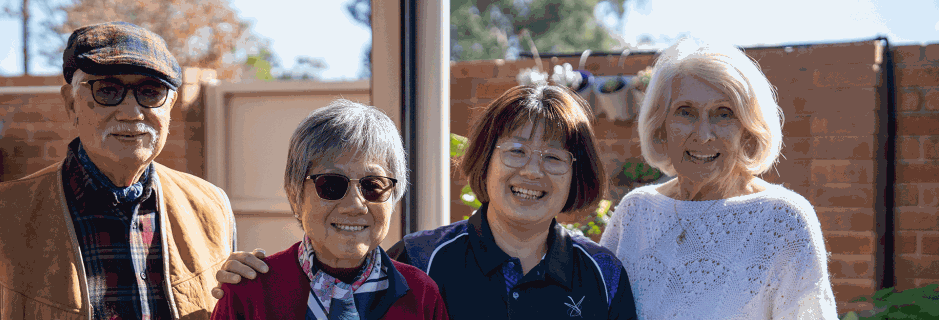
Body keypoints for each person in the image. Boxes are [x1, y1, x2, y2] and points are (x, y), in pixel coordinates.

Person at [214, 85, 637, 319]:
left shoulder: (603, 275)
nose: (532, 172)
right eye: (515, 151)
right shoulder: (422, 260)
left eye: (554, 157)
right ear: (485, 159)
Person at [0, 21, 236, 319]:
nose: (131, 112)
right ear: (71, 103)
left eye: (151, 92)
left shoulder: (211, 208)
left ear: (170, 106)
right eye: (107, 90)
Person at [599, 38, 837, 318]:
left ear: (748, 129)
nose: (703, 134)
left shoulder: (783, 220)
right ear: (661, 125)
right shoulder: (635, 212)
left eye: (723, 114)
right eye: (685, 112)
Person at [210, 100, 448, 319]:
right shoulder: (249, 291)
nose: (355, 205)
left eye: (372, 185)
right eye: (331, 185)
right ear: (295, 195)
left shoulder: (421, 295)